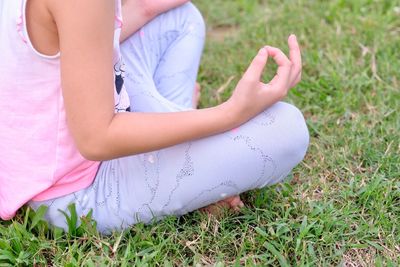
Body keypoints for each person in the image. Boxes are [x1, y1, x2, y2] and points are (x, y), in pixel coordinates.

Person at [0, 0, 309, 234]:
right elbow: (96, 139)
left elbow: (72, 37)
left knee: (178, 18)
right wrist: (230, 113)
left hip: (45, 132)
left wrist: (147, 8)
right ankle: (195, 169)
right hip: (68, 193)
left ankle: (181, 146)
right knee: (286, 130)